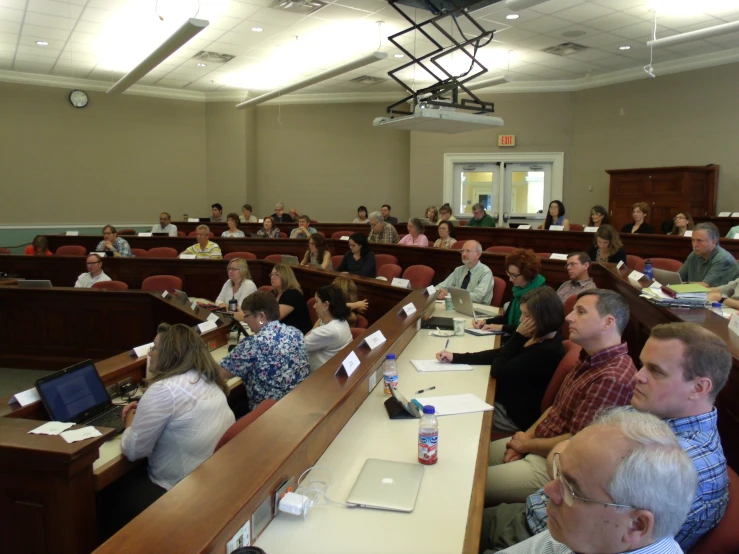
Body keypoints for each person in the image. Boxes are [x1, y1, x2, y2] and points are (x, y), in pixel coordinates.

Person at [482, 321, 732, 553]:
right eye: (642, 364)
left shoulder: (683, 462)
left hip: (543, 536)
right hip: (537, 514)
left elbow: (593, 537)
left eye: (655, 371)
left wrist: (566, 458)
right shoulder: (644, 411)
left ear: (699, 388)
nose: (638, 375)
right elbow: (565, 455)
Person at [484, 289, 636, 506]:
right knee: (471, 459)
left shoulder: (612, 377)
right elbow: (555, 408)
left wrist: (527, 446)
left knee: (470, 482)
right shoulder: (588, 357)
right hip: (537, 444)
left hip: (553, 463)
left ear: (607, 322)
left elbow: (576, 441)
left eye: (580, 312)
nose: (568, 317)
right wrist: (524, 439)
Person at [497, 409, 696, 554]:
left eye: (570, 488)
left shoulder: (589, 534)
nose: (549, 490)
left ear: (636, 525)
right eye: (560, 473)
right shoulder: (591, 537)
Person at [103, 323, 234, 535]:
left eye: (154, 347)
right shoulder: (204, 376)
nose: (150, 353)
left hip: (177, 489)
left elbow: (134, 451)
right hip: (212, 479)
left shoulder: (164, 390)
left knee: (106, 497)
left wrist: (130, 422)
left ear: (168, 354)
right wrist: (146, 409)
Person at [437, 287, 564, 433]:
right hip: (503, 399)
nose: (521, 320)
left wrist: (518, 336)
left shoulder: (547, 351)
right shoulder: (538, 335)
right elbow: (501, 353)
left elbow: (498, 370)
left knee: (455, 414)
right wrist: (457, 357)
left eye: (526, 316)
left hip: (512, 416)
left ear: (544, 318)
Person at [219, 291, 310, 411]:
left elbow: (220, 374)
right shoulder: (296, 332)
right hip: (297, 404)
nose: (245, 320)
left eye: (246, 315)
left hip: (268, 416)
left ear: (261, 316)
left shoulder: (254, 344)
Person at [474, 249, 546, 334]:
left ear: (527, 273)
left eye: (514, 276)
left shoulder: (540, 294)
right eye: (509, 274)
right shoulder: (518, 289)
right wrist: (486, 322)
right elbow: (506, 318)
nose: (510, 279)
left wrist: (501, 327)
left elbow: (527, 329)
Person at [305, 285, 352, 372]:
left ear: (326, 305)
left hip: (317, 378)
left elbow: (297, 347)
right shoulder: (342, 322)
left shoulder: (328, 331)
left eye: (316, 302)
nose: (314, 306)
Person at [678, 222, 739, 287]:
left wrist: (679, 284)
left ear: (713, 242)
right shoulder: (694, 254)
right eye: (693, 240)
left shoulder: (723, 258)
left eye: (699, 241)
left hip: (721, 296)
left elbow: (705, 286)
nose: (694, 245)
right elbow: (678, 277)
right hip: (697, 295)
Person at [436, 240, 493, 305]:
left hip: (477, 309)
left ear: (478, 254)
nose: (464, 254)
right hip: (458, 305)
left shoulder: (485, 272)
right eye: (462, 251)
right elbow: (442, 286)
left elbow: (478, 297)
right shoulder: (459, 270)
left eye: (468, 251)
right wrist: (437, 292)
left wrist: (450, 295)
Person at [269, 263, 312, 334]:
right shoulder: (273, 293)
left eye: (276, 274)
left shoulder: (292, 294)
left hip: (296, 336)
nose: (272, 277)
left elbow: (273, 318)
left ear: (286, 277)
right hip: (281, 333)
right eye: (271, 274)